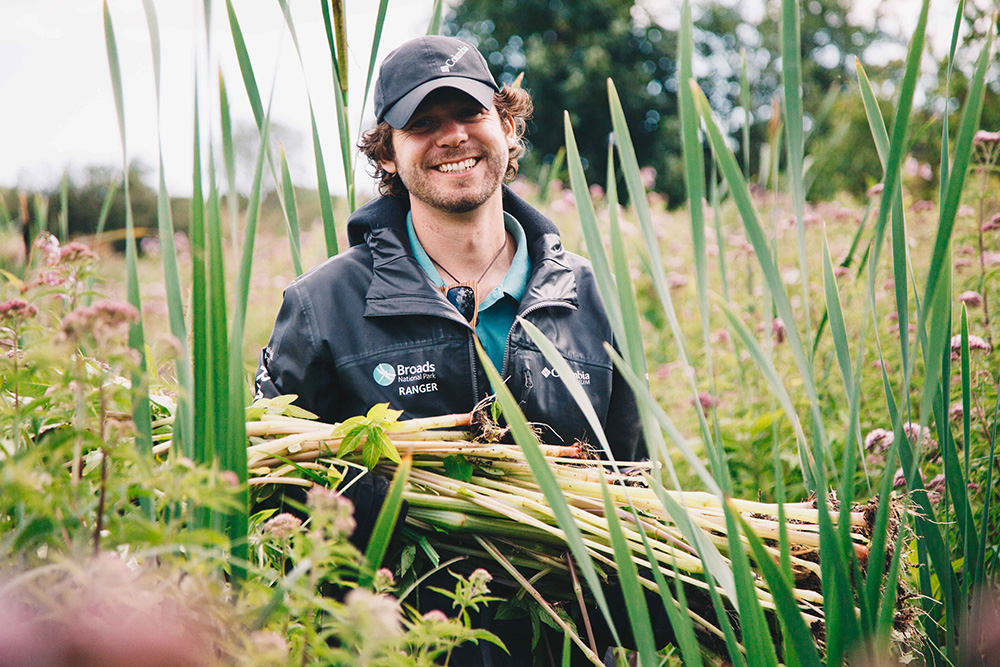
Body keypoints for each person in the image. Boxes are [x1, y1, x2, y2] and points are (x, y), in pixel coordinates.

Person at [255, 35, 648, 665]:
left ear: (507, 127)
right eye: (423, 123)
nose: (454, 136)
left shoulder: (588, 295)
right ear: (387, 153)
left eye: (471, 114)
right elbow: (279, 496)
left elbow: (636, 490)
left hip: (574, 648)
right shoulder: (321, 307)